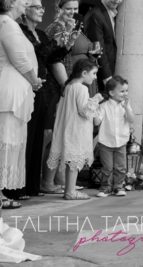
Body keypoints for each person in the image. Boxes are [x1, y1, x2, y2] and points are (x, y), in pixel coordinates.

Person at [16, 0, 68, 199]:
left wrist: (65, 45)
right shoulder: (19, 31)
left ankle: (32, 185)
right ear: (25, 10)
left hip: (45, 89)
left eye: (42, 7)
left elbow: (51, 57)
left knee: (40, 136)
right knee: (26, 137)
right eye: (37, 7)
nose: (41, 10)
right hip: (29, 87)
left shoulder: (41, 33)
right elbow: (39, 53)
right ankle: (18, 186)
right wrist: (56, 42)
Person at [0, 0, 42, 210]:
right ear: (11, 0)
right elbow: (19, 59)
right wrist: (34, 81)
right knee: (4, 140)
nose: (25, 2)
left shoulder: (9, 23)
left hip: (15, 87)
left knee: (9, 140)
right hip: (9, 88)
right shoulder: (6, 23)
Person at [48, 57, 101, 200]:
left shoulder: (68, 86)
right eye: (94, 74)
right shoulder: (81, 88)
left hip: (68, 128)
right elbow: (84, 111)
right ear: (84, 73)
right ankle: (70, 191)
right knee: (74, 162)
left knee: (71, 161)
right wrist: (95, 100)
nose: (95, 78)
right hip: (77, 129)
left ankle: (68, 189)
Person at [94, 75, 134, 197]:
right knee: (107, 167)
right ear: (111, 92)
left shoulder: (125, 106)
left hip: (121, 141)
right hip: (106, 141)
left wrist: (127, 107)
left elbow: (131, 119)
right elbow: (96, 122)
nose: (125, 94)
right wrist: (94, 107)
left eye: (126, 91)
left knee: (120, 167)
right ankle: (105, 187)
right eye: (122, 91)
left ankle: (118, 187)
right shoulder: (104, 106)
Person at [46, 0, 91, 93]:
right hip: (58, 79)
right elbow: (56, 55)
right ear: (59, 9)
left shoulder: (69, 25)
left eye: (75, 9)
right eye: (68, 9)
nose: (72, 12)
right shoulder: (56, 27)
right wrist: (65, 83)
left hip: (69, 74)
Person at [82, 0, 126, 85]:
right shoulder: (95, 15)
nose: (117, 1)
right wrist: (107, 78)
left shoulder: (110, 13)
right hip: (99, 76)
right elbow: (98, 49)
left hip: (109, 71)